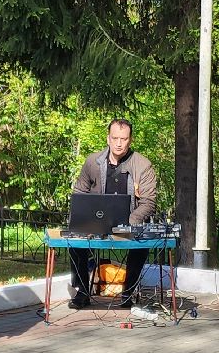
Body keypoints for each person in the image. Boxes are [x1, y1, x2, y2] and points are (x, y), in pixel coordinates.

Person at [67, 119, 158, 309]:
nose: (119, 143)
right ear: (108, 138)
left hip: (128, 227)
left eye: (123, 139)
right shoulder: (92, 162)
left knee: (140, 245)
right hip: (95, 225)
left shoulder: (143, 165)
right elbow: (79, 193)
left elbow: (148, 202)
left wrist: (128, 223)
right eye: (115, 138)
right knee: (74, 242)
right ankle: (83, 292)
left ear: (130, 140)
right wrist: (82, 219)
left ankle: (127, 294)